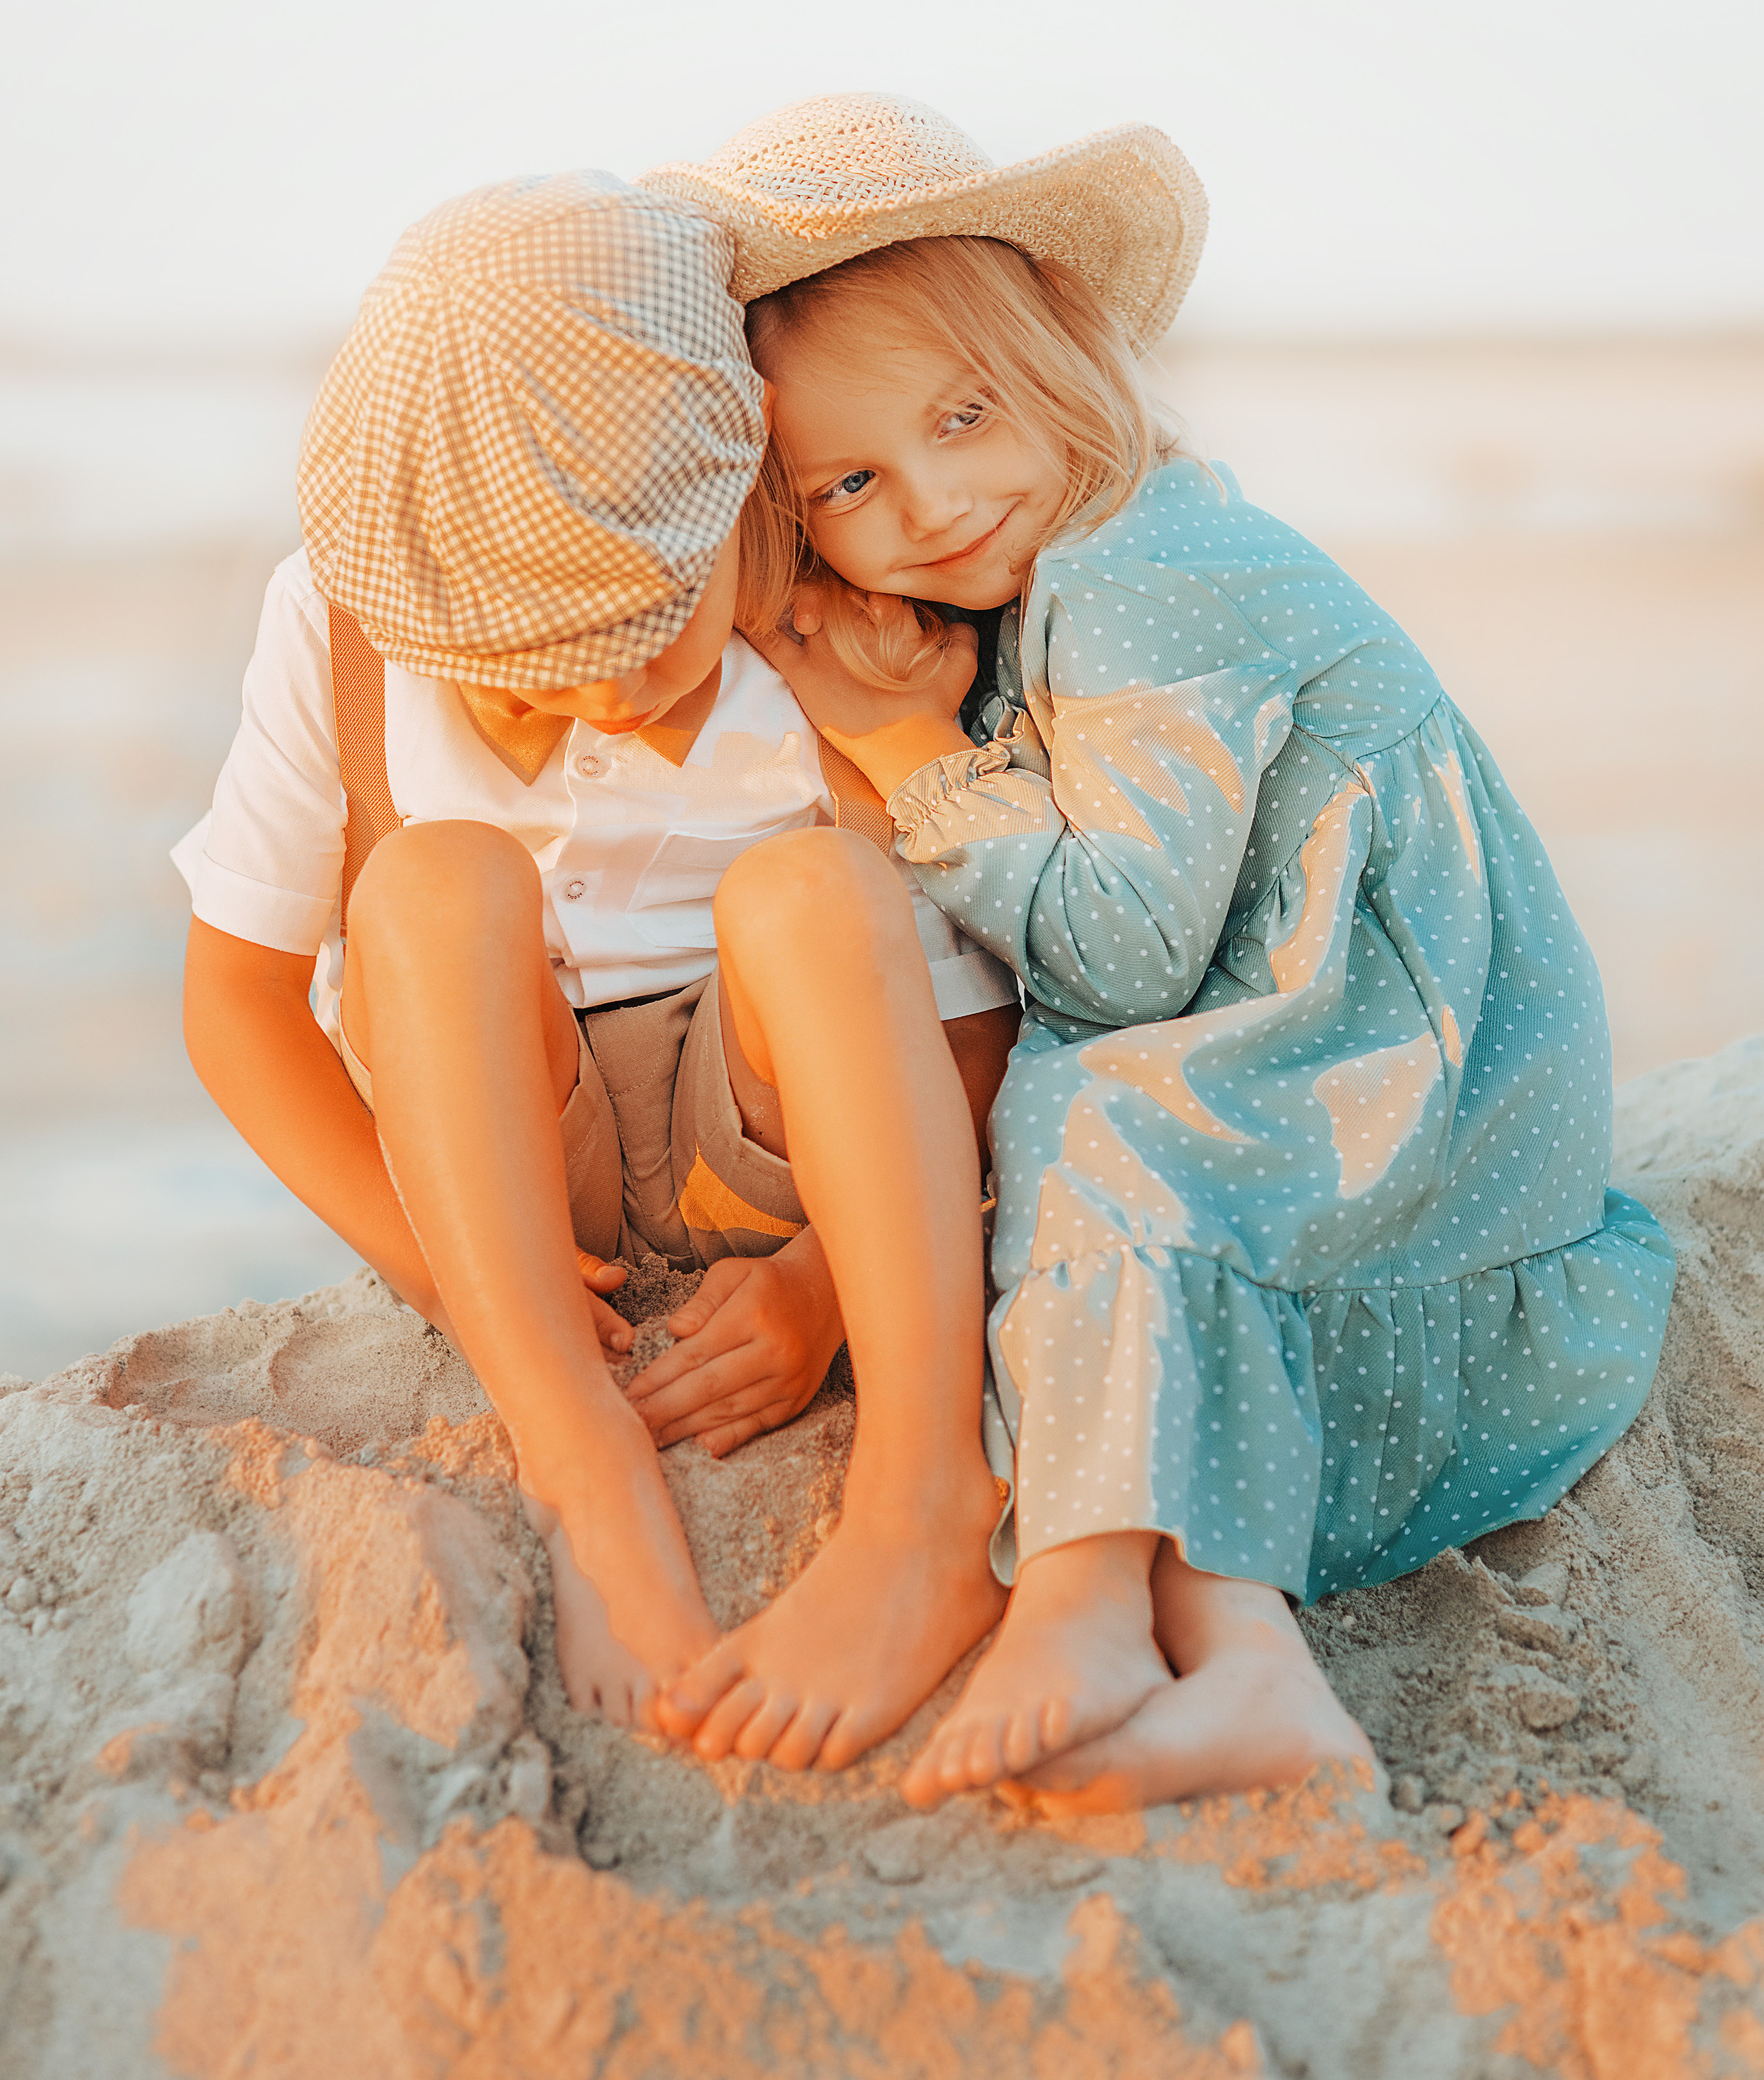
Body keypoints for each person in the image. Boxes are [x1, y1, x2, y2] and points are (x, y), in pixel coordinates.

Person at [638, 93, 1675, 1813]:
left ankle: (1075, 1603)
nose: (932, 499)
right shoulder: (1064, 565)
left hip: (1423, 1096)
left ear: (1056, 350)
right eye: (848, 482)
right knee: (1101, 1133)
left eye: (960, 414)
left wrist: (909, 761)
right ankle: (1252, 1674)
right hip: (1327, 1047)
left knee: (1089, 1120)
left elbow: (1120, 955)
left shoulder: (1142, 573)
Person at [173, 169, 1015, 1763]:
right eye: (538, 665)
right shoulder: (344, 620)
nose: (615, 695)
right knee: (428, 879)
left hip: (771, 1142)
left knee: (823, 893)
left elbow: (964, 1015)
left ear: (743, 454)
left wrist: (823, 1288)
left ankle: (923, 1491)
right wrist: (445, 1271)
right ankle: (576, 1459)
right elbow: (238, 1007)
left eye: (648, 624)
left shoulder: (833, 606)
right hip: (509, 1159)